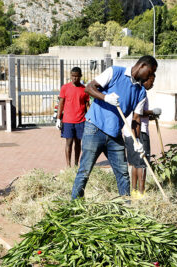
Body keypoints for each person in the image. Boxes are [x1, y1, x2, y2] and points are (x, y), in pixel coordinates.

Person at [71, 55, 158, 199]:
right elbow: (89, 88)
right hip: (95, 128)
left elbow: (136, 119)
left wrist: (138, 142)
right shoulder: (115, 72)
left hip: (115, 135)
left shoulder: (141, 92)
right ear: (142, 66)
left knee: (123, 172)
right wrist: (106, 97)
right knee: (85, 170)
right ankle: (74, 205)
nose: (150, 76)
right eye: (150, 72)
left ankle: (126, 206)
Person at [123, 74, 161, 199]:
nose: (153, 84)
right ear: (145, 80)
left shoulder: (132, 90)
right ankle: (141, 192)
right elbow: (138, 113)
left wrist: (150, 116)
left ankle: (134, 190)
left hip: (128, 132)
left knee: (134, 163)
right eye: (152, 81)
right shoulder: (142, 92)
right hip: (140, 132)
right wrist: (152, 112)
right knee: (142, 163)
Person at [56, 67, 90, 167]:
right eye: (73, 76)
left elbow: (87, 105)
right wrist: (58, 119)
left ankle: (75, 164)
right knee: (69, 143)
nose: (74, 78)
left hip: (81, 120)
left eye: (77, 76)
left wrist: (89, 118)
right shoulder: (65, 88)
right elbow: (61, 104)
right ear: (70, 76)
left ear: (80, 76)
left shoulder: (84, 89)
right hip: (68, 120)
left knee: (78, 143)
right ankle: (68, 165)